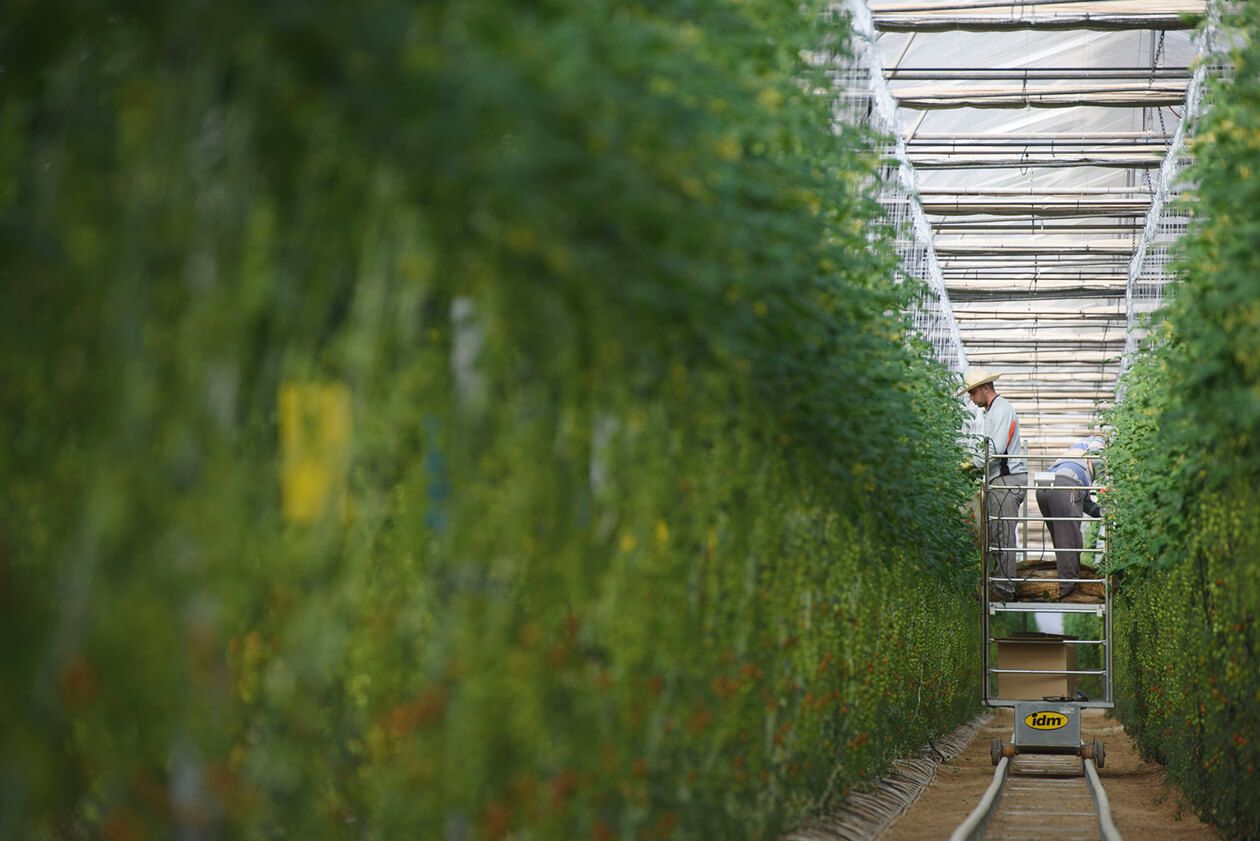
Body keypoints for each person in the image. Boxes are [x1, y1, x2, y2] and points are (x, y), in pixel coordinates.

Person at [958, 368, 1027, 601]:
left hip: (1008, 481)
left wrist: (973, 463)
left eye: (972, 392)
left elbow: (995, 450)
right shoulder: (992, 412)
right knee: (997, 535)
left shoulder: (1002, 409)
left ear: (985, 388)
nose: (971, 397)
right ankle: (999, 586)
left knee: (1003, 535)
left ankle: (1004, 591)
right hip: (999, 481)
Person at [1035, 433, 1106, 599]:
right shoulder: (1097, 441)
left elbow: (1085, 502)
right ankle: (1068, 590)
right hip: (1065, 487)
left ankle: (1067, 583)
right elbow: (1097, 458)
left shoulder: (1075, 449)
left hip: (1044, 488)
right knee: (1070, 541)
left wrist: (1102, 513)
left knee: (1062, 541)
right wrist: (1106, 483)